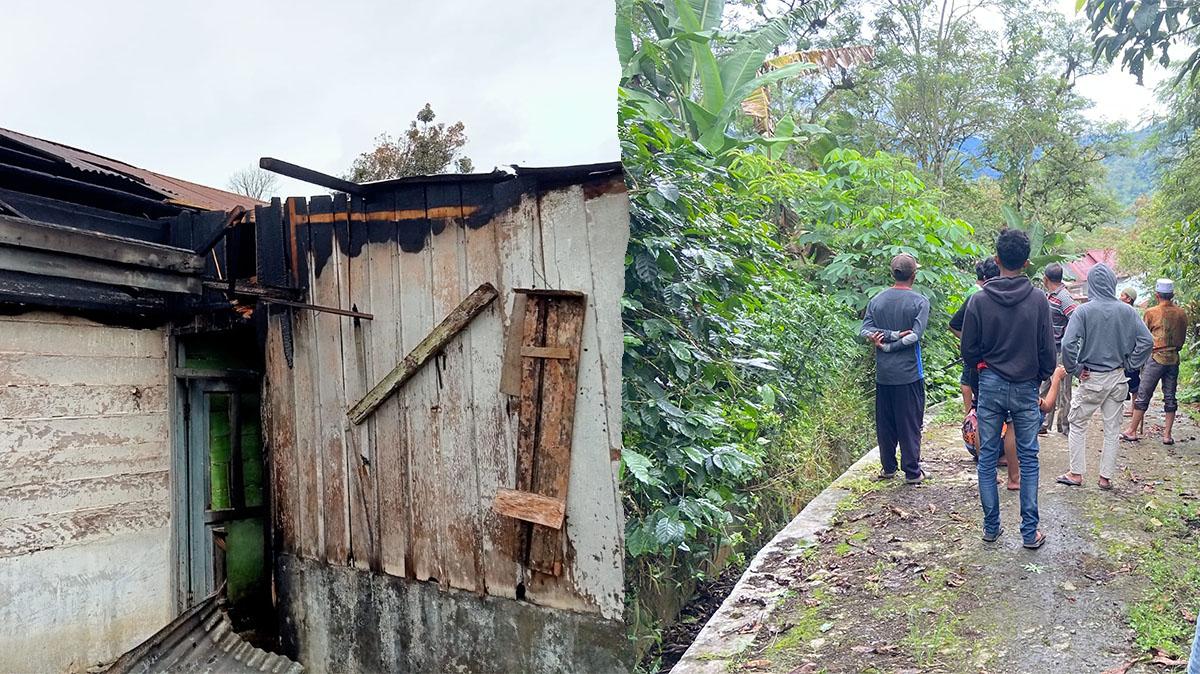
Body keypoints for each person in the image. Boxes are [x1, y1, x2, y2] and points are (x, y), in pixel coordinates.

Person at [960, 229, 1057, 549]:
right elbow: (1047, 351)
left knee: (987, 457)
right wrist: (1039, 378)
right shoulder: (1038, 300)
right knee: (1029, 458)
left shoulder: (979, 300)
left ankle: (991, 528)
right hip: (1026, 385)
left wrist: (979, 381)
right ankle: (1029, 533)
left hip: (990, 385)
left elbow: (969, 352)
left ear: (997, 259)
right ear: (1027, 263)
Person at [1058, 264, 1153, 490]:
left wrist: (1075, 368)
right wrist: (1131, 364)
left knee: (1078, 424)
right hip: (1118, 377)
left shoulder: (1083, 311)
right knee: (1112, 429)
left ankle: (1076, 473)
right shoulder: (1128, 311)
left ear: (1091, 284)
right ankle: (1105, 478)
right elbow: (1147, 342)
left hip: (1091, 377)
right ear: (1112, 284)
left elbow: (1068, 344)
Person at [861, 253, 930, 485]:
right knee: (910, 422)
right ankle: (912, 471)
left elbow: (865, 330)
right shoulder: (920, 302)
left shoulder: (877, 300)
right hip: (909, 373)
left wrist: (883, 340)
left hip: (884, 375)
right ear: (914, 275)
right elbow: (914, 336)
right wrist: (893, 342)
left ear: (893, 273)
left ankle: (888, 467)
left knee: (886, 422)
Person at [1123, 278, 1189, 445]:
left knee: (1143, 395)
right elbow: (1181, 339)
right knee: (1170, 396)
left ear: (1157, 295)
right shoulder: (1181, 313)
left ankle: (1132, 430)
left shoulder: (1151, 312)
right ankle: (1167, 435)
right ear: (1172, 295)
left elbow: (1143, 338)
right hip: (1173, 357)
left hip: (1155, 357)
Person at [951, 258, 1001, 415]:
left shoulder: (976, 295)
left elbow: (954, 324)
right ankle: (970, 416)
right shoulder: (978, 296)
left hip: (979, 362)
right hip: (993, 365)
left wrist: (969, 343)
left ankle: (970, 417)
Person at [1040, 263, 1077, 435]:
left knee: (1063, 390)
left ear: (1046, 279)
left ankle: (1065, 426)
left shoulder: (1064, 298)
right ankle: (1044, 423)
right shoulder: (1050, 296)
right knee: (1046, 386)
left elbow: (1076, 320)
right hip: (1049, 349)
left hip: (1062, 350)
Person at [1119, 287, 1142, 424]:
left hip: (1130, 353)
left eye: (1122, 295)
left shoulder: (1132, 313)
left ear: (1128, 299)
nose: (1119, 297)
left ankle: (1134, 406)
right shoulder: (1121, 311)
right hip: (1123, 352)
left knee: (1134, 382)